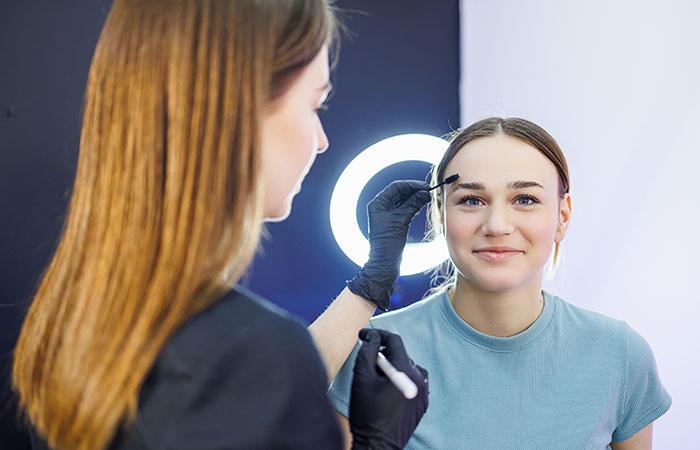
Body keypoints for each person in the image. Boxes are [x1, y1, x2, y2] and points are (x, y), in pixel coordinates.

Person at [11, 1, 431, 449]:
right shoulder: (251, 356)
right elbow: (258, 377)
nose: (321, 140)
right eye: (316, 105)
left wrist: (371, 282)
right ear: (238, 108)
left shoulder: (77, 316)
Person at [327, 117, 672, 449]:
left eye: (525, 199)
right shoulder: (376, 353)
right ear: (440, 214)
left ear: (562, 217)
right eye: (471, 200)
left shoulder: (619, 354)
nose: (496, 225)